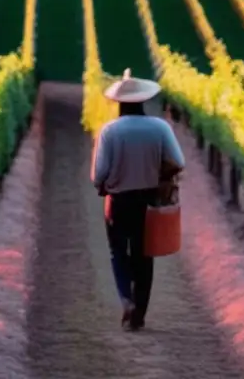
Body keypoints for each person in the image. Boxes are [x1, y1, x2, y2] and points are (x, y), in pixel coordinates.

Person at [91, 69, 185, 331]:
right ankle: (140, 314)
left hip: (118, 201)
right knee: (145, 256)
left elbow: (98, 174)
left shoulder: (110, 131)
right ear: (143, 100)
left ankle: (126, 300)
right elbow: (179, 162)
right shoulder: (159, 127)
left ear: (119, 102)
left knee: (118, 252)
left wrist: (104, 184)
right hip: (150, 201)